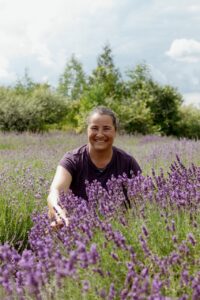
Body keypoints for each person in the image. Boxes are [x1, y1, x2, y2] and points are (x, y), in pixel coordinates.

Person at [47, 106, 141, 228]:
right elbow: (55, 191)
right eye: (94, 128)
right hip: (78, 227)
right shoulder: (73, 159)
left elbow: (142, 199)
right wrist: (60, 213)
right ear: (87, 130)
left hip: (118, 229)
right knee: (53, 220)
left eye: (106, 129)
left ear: (115, 131)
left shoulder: (127, 162)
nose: (100, 134)